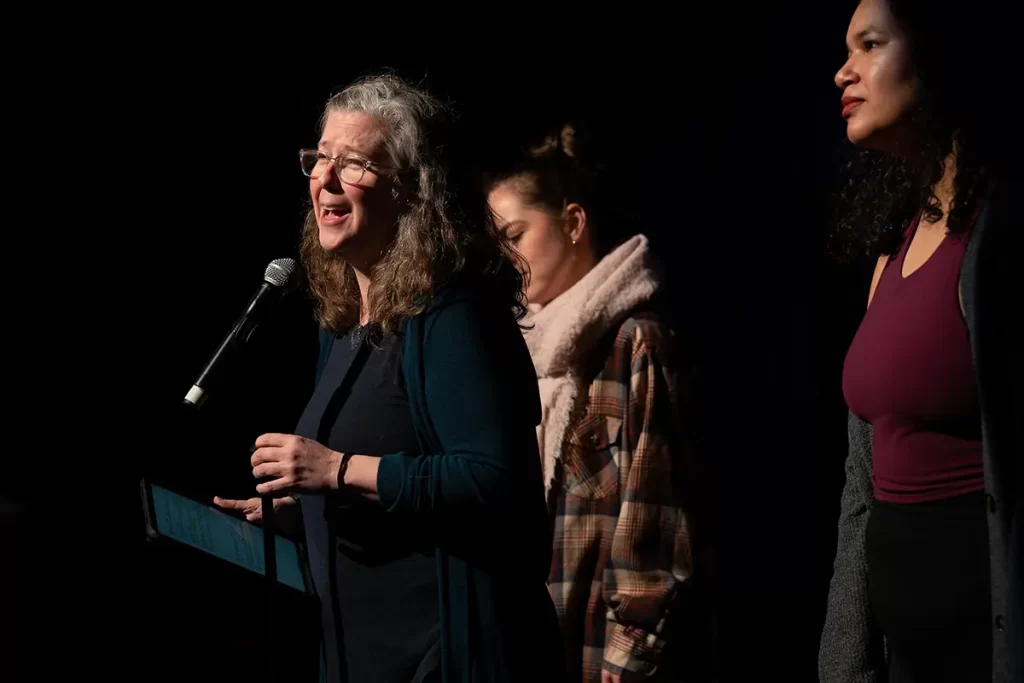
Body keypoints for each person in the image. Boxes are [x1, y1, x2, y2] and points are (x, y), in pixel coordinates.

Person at [215, 73, 565, 683]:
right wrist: (310, 510)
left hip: (446, 656)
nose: (324, 179)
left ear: (412, 191)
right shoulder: (344, 322)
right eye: (319, 158)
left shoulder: (453, 314)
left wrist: (336, 471)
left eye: (353, 164)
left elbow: (494, 479)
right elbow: (393, 487)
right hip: (361, 656)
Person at [820, 1, 1020, 682]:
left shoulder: (994, 240)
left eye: (869, 44)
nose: (843, 71)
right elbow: (862, 480)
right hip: (900, 659)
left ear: (936, 54)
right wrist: (845, 662)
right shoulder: (891, 248)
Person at [485, 124, 701, 683]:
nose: (504, 258)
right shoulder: (521, 356)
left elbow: (656, 517)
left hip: (601, 661)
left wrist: (628, 655)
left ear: (574, 224)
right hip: (533, 650)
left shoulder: (635, 341)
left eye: (515, 235)